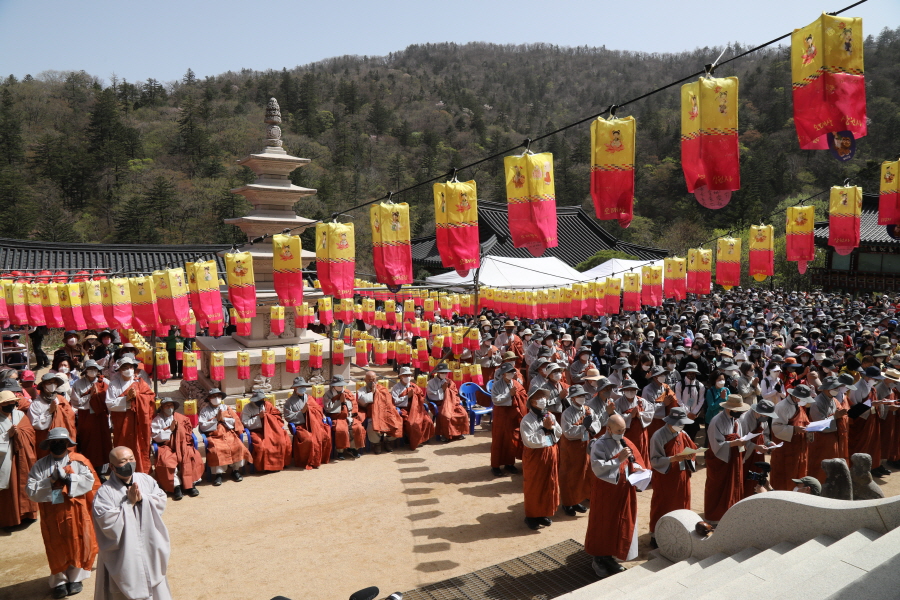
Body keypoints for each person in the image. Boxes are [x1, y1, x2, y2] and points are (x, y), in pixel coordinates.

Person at [26, 427, 99, 599]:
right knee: (55, 544)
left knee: (77, 541)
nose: (58, 445)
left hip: (76, 510)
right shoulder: (40, 465)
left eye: (61, 442)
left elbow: (90, 481)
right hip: (52, 512)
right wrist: (50, 481)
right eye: (54, 442)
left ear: (67, 443)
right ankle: (59, 580)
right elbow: (30, 490)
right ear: (49, 444)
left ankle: (75, 578)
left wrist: (70, 478)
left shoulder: (79, 461)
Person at [93, 446, 172, 600]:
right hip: (124, 550)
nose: (129, 464)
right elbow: (106, 522)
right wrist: (129, 504)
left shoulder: (145, 479)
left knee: (155, 583)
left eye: (131, 459)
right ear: (112, 467)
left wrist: (143, 499)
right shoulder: (104, 492)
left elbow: (161, 498)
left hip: (148, 541)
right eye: (123, 461)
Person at [585, 413, 644, 578]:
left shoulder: (625, 441)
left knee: (618, 524)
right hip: (606, 493)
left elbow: (636, 461)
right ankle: (598, 558)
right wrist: (618, 460)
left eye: (624, 430)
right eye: (619, 430)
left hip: (623, 491)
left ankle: (610, 557)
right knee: (603, 524)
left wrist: (638, 469)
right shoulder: (600, 444)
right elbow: (597, 467)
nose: (622, 433)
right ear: (609, 429)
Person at [648, 407, 697, 546]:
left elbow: (692, 450)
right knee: (662, 505)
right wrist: (673, 458)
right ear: (670, 422)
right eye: (679, 423)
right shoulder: (658, 436)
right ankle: (656, 535)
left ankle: (681, 530)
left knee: (682, 503)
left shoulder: (683, 433)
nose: (681, 426)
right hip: (666, 478)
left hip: (681, 476)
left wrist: (690, 456)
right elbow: (654, 460)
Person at [704, 395, 753, 523]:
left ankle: (730, 514)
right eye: (737, 410)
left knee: (734, 484)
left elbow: (739, 437)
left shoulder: (736, 420)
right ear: (729, 408)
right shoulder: (716, 421)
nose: (740, 413)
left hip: (733, 459)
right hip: (719, 460)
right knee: (717, 487)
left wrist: (741, 443)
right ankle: (713, 517)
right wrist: (735, 443)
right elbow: (716, 445)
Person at [106, 356, 156, 473]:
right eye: (125, 367)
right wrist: (126, 399)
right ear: (120, 370)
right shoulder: (113, 385)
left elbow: (150, 398)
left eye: (130, 367)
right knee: (122, 445)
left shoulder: (140, 383)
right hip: (122, 422)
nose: (128, 370)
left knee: (140, 445)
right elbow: (110, 404)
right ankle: (123, 472)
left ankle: (142, 470)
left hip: (139, 421)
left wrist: (138, 396)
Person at [520, 389, 561, 530]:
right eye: (539, 397)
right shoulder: (526, 420)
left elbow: (559, 432)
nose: (543, 399)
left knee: (548, 483)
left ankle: (543, 513)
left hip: (550, 452)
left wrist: (551, 428)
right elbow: (529, 441)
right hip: (535, 456)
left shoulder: (550, 415)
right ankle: (531, 516)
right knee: (534, 486)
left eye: (544, 396)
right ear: (532, 402)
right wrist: (544, 429)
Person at [559, 384, 601, 516]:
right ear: (572, 398)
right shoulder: (567, 413)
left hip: (585, 446)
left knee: (584, 473)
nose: (581, 398)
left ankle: (577, 500)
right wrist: (583, 427)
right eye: (578, 396)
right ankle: (568, 503)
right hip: (571, 448)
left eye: (583, 395)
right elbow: (567, 432)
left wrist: (590, 427)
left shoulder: (588, 410)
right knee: (570, 474)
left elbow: (597, 423)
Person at [151, 398, 203, 500]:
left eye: (171, 405)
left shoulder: (181, 418)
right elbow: (155, 436)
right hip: (166, 445)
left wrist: (181, 434)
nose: (169, 408)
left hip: (183, 444)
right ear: (162, 407)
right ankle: (176, 487)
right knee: (166, 462)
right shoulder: (157, 420)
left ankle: (190, 485)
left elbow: (189, 432)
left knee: (193, 456)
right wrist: (170, 430)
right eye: (166, 405)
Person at [0, 389, 38, 529]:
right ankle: (11, 520)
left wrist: (20, 433)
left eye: (12, 402)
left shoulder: (20, 415)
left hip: (23, 457)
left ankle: (29, 514)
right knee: (10, 489)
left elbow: (30, 433)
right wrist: (7, 435)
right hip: (6, 460)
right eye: (6, 403)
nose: (10, 405)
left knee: (26, 483)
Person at [198, 388, 251, 484]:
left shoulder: (227, 408)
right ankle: (219, 474)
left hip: (228, 433)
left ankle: (235, 470)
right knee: (216, 450)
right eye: (213, 396)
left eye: (218, 396)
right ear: (209, 398)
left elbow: (235, 421)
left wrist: (223, 419)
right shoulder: (204, 411)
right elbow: (202, 426)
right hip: (214, 435)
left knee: (238, 446)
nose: (216, 398)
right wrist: (216, 420)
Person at [69, 359, 112, 475]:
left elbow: (110, 400)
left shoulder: (105, 382)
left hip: (101, 417)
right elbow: (75, 402)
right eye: (90, 369)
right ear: (85, 371)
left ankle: (102, 472)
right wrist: (90, 396)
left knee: (103, 443)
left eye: (94, 369)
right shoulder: (78, 384)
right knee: (88, 442)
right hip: (86, 417)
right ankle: (88, 469)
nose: (92, 371)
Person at [771, 385, 814, 490]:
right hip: (786, 449)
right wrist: (794, 429)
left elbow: (804, 421)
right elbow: (776, 427)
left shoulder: (797, 405)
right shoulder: (782, 406)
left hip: (799, 448)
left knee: (799, 473)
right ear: (795, 396)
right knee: (785, 476)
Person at [283, 377, 331, 469]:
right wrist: (302, 412)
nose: (302, 388)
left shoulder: (309, 398)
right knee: (309, 439)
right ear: (295, 388)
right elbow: (288, 417)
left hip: (314, 424)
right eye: (299, 386)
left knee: (324, 435)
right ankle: (308, 461)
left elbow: (318, 410)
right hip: (300, 426)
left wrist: (311, 412)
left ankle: (319, 459)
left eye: (303, 386)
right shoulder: (289, 402)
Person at [806, 376, 846, 483]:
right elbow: (819, 424)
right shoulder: (817, 402)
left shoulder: (834, 400)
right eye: (834, 388)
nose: (836, 390)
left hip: (833, 437)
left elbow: (842, 414)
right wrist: (835, 417)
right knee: (820, 465)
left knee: (832, 463)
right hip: (820, 439)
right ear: (825, 389)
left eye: (837, 387)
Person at [489, 362, 527, 476]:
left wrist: (516, 395)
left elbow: (524, 395)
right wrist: (509, 395)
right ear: (503, 374)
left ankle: (509, 464)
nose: (511, 373)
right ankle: (495, 466)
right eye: (508, 372)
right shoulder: (496, 385)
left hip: (512, 416)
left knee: (511, 440)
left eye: (512, 371)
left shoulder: (516, 384)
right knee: (499, 440)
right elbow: (495, 400)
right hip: (501, 416)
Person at [241, 390, 291, 471]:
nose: (261, 401)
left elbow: (277, 416)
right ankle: (265, 467)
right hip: (256, 431)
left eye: (262, 399)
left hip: (271, 429)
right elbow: (245, 423)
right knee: (262, 446)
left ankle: (280, 463)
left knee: (281, 441)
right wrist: (258, 418)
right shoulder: (247, 408)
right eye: (259, 399)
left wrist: (268, 417)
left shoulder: (267, 405)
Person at [30, 373, 77, 459]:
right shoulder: (36, 404)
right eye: (49, 383)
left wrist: (59, 411)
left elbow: (70, 416)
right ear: (43, 385)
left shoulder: (61, 399)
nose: (52, 385)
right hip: (46, 438)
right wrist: (49, 412)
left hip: (63, 437)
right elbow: (35, 424)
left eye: (54, 382)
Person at [357, 370, 403, 454]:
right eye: (369, 380)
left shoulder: (382, 389)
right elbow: (362, 402)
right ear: (365, 380)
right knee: (372, 428)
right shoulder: (361, 390)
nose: (372, 382)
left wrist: (378, 393)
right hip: (372, 415)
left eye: (374, 379)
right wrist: (372, 393)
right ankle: (377, 444)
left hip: (385, 413)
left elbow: (388, 402)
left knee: (396, 423)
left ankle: (388, 441)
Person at [391, 367, 435, 450]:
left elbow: (422, 397)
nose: (408, 377)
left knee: (427, 420)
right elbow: (395, 401)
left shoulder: (414, 386)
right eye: (405, 375)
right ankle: (412, 440)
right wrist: (407, 397)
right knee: (412, 423)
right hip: (404, 409)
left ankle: (422, 439)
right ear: (401, 376)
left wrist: (417, 397)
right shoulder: (396, 387)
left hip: (416, 409)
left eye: (409, 375)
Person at [613, 379, 654, 466]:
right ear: (623, 390)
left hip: (640, 434)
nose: (630, 392)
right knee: (629, 453)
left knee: (641, 453)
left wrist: (640, 415)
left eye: (632, 389)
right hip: (627, 434)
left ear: (636, 390)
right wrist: (630, 415)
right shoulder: (618, 403)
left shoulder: (642, 401)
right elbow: (616, 418)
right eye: (627, 389)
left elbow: (650, 413)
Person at [324, 375, 366, 459]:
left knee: (358, 428)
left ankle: (352, 448)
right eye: (338, 385)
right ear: (333, 385)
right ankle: (340, 451)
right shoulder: (328, 394)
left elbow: (354, 404)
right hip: (336, 417)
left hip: (349, 416)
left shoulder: (347, 392)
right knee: (342, 430)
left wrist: (352, 412)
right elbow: (327, 408)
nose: (340, 387)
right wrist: (339, 402)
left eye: (341, 385)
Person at [426, 363, 469, 441]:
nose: (444, 374)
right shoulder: (431, 382)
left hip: (451, 403)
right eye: (442, 372)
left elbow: (455, 393)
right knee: (446, 416)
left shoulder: (449, 381)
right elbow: (431, 395)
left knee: (463, 413)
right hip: (438, 404)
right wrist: (442, 389)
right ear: (438, 372)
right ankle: (445, 435)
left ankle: (459, 433)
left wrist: (449, 393)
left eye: (445, 372)